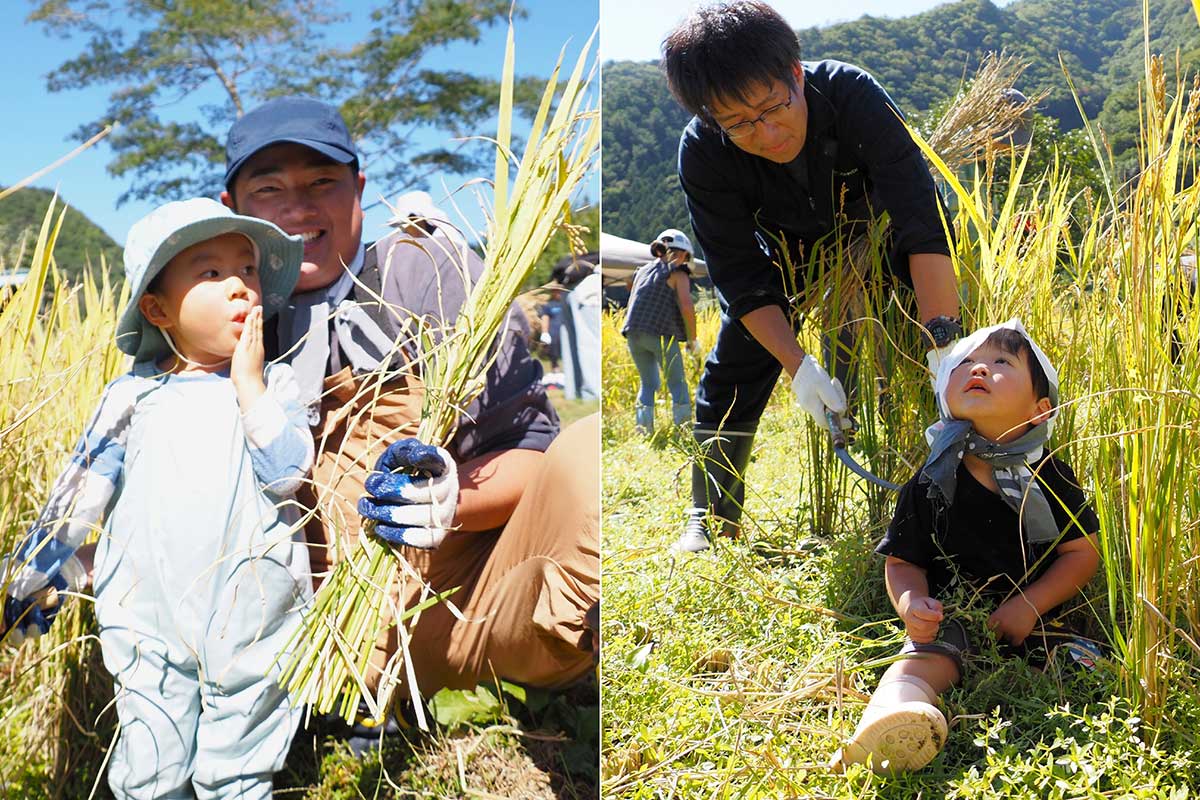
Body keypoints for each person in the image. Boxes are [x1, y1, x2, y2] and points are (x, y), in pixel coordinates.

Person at [219, 97, 600, 714]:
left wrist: (450, 501)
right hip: (275, 650)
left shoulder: (424, 271)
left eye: (322, 182)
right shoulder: (208, 316)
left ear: (358, 189)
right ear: (230, 209)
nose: (300, 207)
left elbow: (533, 448)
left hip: (453, 618)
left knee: (594, 456)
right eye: (269, 189)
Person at [1, 198, 313, 798]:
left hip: (254, 623)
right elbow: (79, 496)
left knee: (239, 775)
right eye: (210, 272)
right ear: (157, 308)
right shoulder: (133, 397)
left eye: (248, 271)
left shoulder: (276, 387)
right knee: (151, 770)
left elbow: (286, 477)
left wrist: (250, 387)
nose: (240, 288)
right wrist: (33, 578)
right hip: (147, 625)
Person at [662, 0, 963, 553]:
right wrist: (797, 366)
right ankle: (711, 515)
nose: (766, 130)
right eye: (739, 123)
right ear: (711, 118)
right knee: (731, 370)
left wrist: (945, 342)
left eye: (773, 106)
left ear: (796, 74)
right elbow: (739, 272)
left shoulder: (852, 95)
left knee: (943, 364)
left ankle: (951, 498)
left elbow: (923, 222)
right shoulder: (703, 152)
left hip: (882, 238)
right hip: (787, 255)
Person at [831, 319, 1100, 772]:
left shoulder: (1049, 475)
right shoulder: (933, 478)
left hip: (1035, 620)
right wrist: (912, 603)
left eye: (1000, 362)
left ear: (1040, 410)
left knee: (1086, 663)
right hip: (953, 613)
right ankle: (891, 722)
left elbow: (1081, 553)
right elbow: (903, 560)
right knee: (921, 663)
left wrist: (1030, 606)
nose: (978, 369)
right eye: (966, 363)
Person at [621, 228, 698, 434]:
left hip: (633, 333)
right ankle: (684, 429)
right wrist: (693, 339)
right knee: (677, 383)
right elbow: (686, 306)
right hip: (660, 333)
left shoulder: (643, 270)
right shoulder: (678, 272)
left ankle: (643, 431)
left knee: (648, 383)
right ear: (682, 254)